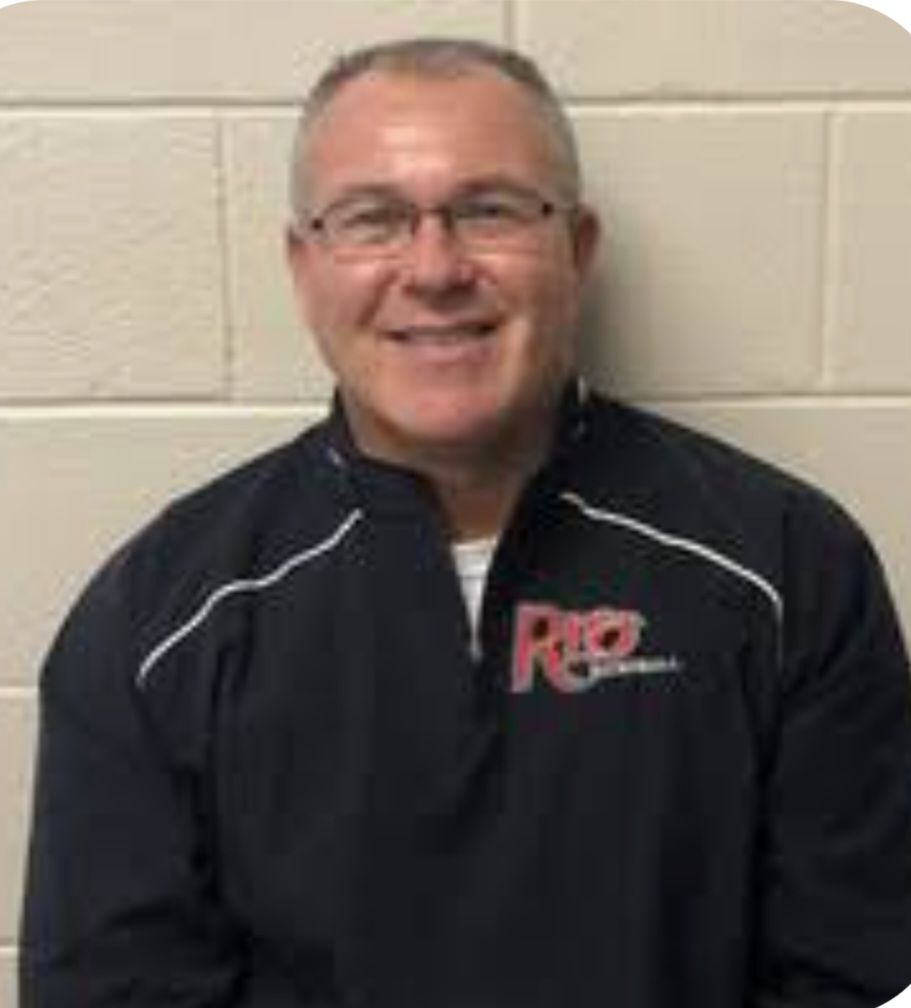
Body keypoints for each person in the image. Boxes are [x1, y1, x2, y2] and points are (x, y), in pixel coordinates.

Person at [19, 36, 911, 1008]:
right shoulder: (154, 622)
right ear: (304, 267)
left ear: (577, 249)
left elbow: (854, 967)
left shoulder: (788, 569)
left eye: (489, 210)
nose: (434, 268)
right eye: (372, 219)